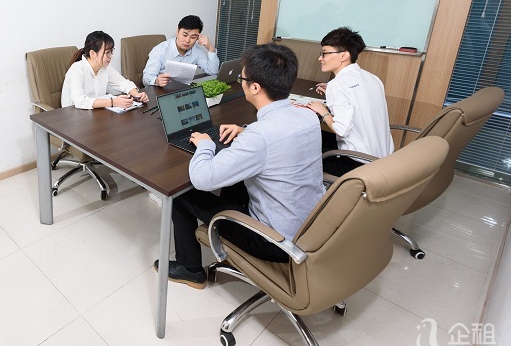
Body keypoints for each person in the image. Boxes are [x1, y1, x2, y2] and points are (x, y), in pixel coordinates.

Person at [154, 43, 324, 289]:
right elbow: (278, 140)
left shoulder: (260, 136)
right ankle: (221, 234)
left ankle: (190, 269)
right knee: (235, 180)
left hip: (275, 241)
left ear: (255, 87)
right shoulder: (307, 114)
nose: (241, 83)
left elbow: (202, 178)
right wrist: (245, 131)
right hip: (311, 226)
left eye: (242, 79)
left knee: (180, 196)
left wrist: (205, 144)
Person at [305, 27, 394, 176]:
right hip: (382, 159)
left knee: (303, 149)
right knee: (318, 136)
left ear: (344, 55)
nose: (320, 58)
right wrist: (333, 92)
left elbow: (341, 130)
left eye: (325, 53)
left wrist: (323, 110)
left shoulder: (338, 85)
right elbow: (360, 97)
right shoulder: (372, 78)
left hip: (356, 163)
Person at [62, 31, 149, 109]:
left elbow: (122, 83)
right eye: (107, 52)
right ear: (92, 53)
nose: (111, 56)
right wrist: (113, 102)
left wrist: (138, 95)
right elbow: (80, 101)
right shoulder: (77, 69)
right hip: (72, 116)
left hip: (95, 114)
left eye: (111, 51)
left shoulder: (104, 67)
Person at [142, 15, 220, 87]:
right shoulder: (160, 50)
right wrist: (156, 81)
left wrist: (211, 49)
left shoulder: (196, 51)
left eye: (193, 37)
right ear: (178, 31)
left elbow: (212, 72)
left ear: (198, 37)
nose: (187, 40)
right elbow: (146, 78)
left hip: (183, 90)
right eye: (185, 35)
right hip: (162, 90)